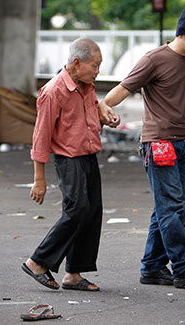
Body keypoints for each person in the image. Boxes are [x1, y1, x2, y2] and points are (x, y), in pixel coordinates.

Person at [98, 6, 185, 288]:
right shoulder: (154, 59)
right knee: (171, 207)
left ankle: (152, 267)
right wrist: (104, 105)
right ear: (182, 32)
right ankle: (184, 266)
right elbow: (124, 88)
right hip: (159, 143)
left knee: (170, 207)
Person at [22, 38, 115, 292]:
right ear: (76, 63)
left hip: (88, 156)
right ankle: (37, 261)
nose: (98, 71)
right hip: (68, 159)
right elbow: (40, 138)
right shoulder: (53, 92)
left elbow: (88, 119)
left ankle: (73, 273)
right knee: (77, 209)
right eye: (95, 65)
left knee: (92, 211)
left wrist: (105, 117)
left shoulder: (87, 86)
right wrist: (39, 179)